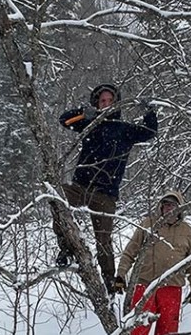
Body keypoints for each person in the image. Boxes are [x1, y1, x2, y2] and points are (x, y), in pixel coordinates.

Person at [55, 82, 158, 292]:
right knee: (58, 200)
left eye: (110, 101)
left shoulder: (124, 130)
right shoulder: (90, 123)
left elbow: (149, 132)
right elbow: (64, 120)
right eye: (102, 101)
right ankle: (66, 249)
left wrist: (149, 111)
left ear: (117, 104)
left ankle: (110, 282)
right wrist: (85, 114)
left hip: (106, 193)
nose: (106, 104)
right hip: (80, 186)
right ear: (96, 103)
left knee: (103, 240)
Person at [110, 190, 191, 335]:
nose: (169, 208)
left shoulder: (187, 231)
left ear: (180, 209)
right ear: (160, 206)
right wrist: (121, 274)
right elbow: (130, 251)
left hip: (172, 289)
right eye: (166, 204)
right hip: (145, 286)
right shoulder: (148, 224)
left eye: (173, 205)